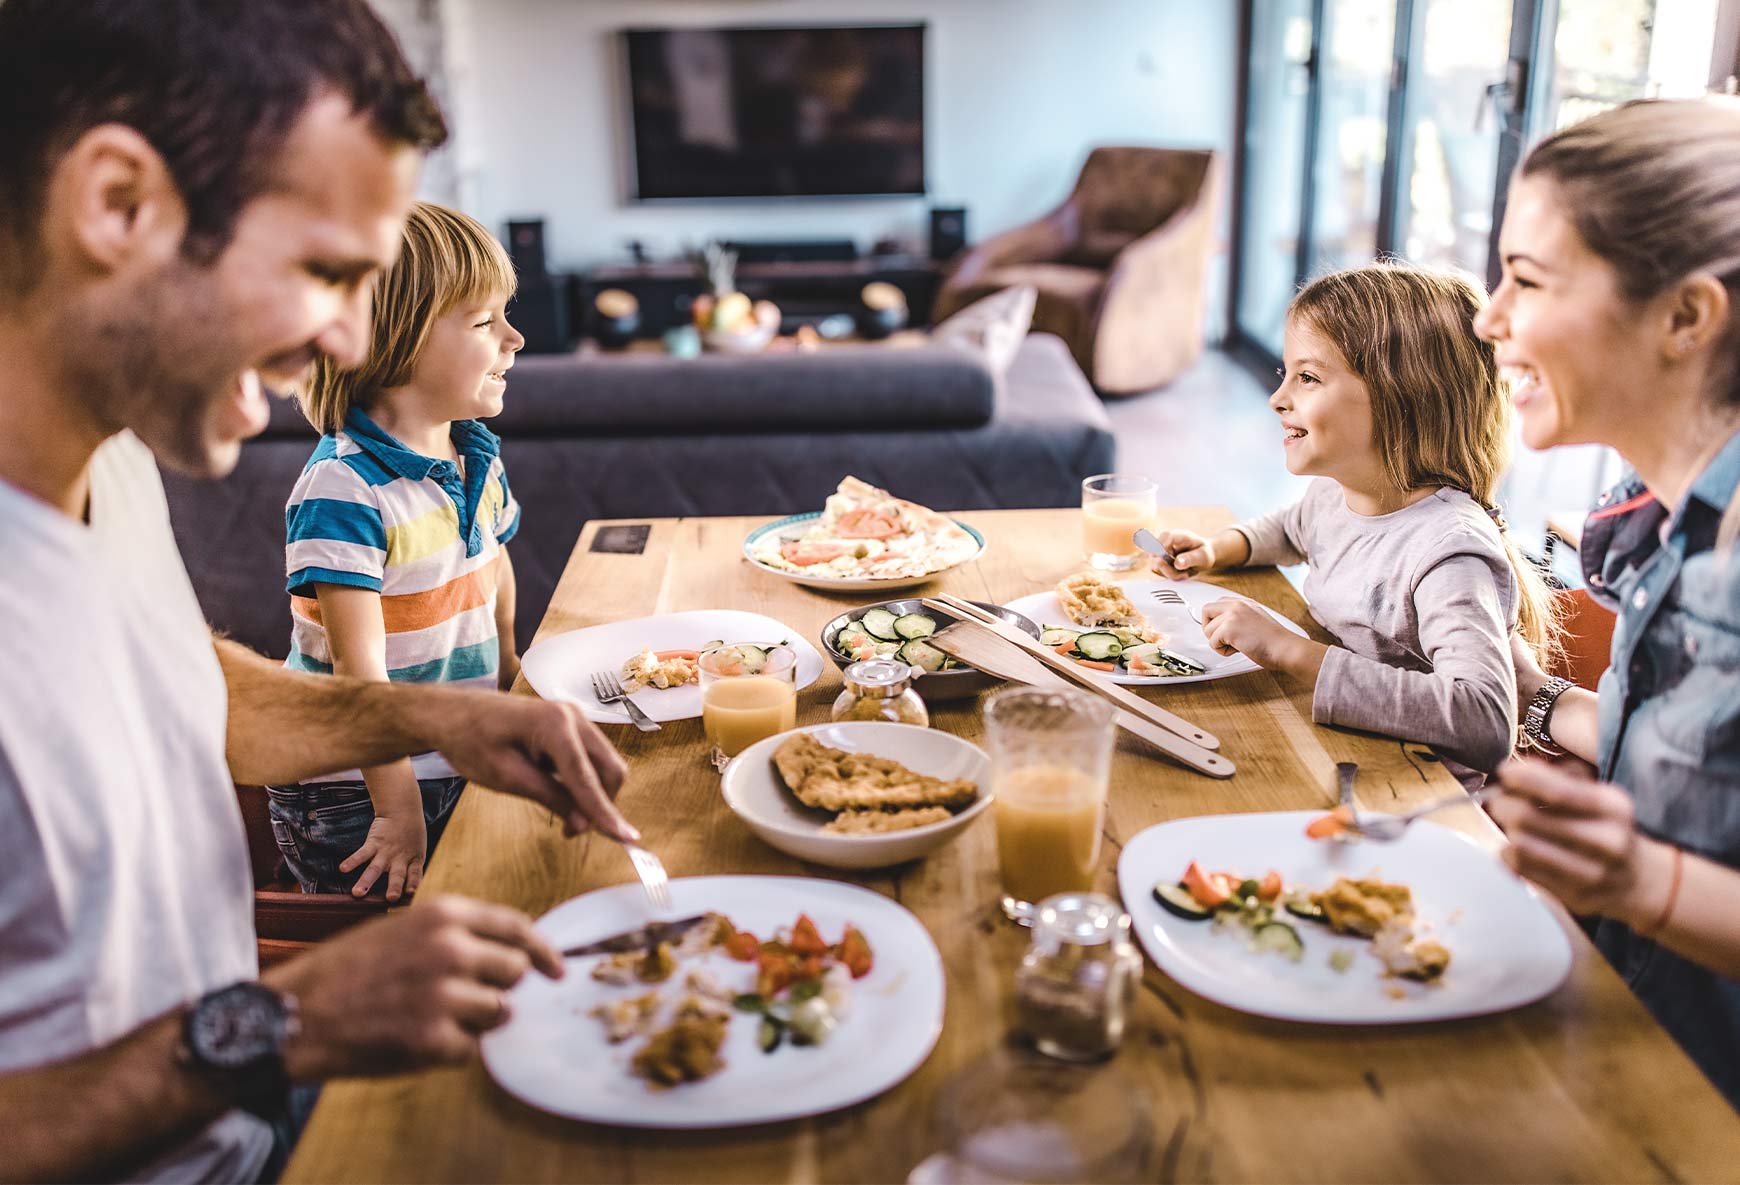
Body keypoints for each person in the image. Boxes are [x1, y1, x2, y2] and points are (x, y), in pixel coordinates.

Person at [0, 2, 637, 1180]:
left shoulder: (115, 459)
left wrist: (441, 713)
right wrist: (288, 1023)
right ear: (118, 205)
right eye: (323, 270)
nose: (349, 337)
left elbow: (181, 690)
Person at [1472, 97, 1740, 1104]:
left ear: (1684, 317)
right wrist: (1533, 698)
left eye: (1527, 280)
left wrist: (1638, 883)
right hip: (1625, 1042)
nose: (1487, 316)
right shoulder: (1673, 524)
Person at [1149, 263, 1556, 785]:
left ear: (1404, 398)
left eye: (1309, 378)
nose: (1278, 399)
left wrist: (1290, 651)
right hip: (1336, 751)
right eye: (1286, 374)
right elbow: (1292, 528)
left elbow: (1483, 720)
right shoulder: (1337, 496)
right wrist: (1217, 550)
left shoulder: (1448, 552)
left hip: (1413, 795)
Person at [271, 202, 527, 901]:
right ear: (395, 340)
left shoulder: (472, 451)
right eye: (484, 322)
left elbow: (491, 564)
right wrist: (397, 807)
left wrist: (508, 672)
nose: (515, 337)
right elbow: (361, 672)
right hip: (358, 791)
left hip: (449, 755)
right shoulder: (344, 487)